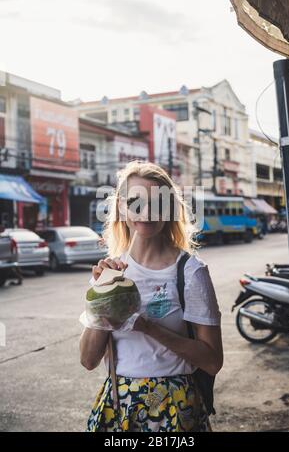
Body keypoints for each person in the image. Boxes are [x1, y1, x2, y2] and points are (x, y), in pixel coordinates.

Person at [79, 161, 223, 432]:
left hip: (174, 406)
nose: (145, 212)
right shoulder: (110, 273)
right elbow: (88, 360)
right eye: (135, 202)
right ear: (121, 207)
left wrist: (147, 327)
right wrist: (102, 302)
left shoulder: (191, 272)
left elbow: (213, 361)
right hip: (119, 404)